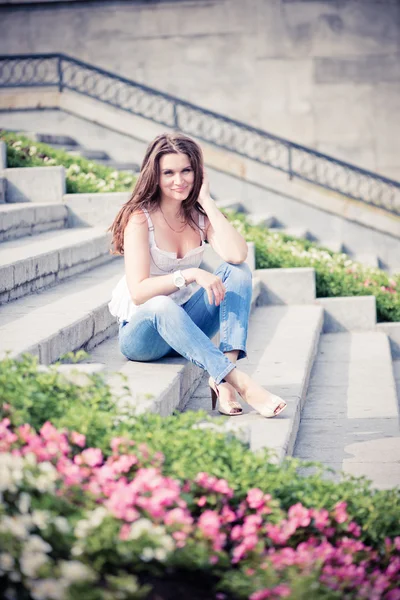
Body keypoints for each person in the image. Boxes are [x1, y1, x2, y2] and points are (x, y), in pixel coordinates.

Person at [108, 132, 286, 418]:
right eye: (169, 172)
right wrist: (189, 274)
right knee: (161, 304)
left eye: (186, 171)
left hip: (185, 325)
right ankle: (240, 382)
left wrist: (207, 201)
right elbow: (139, 292)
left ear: (197, 172)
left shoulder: (197, 216)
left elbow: (238, 255)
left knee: (237, 272)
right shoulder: (140, 218)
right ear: (155, 175)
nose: (179, 180)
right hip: (144, 335)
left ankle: (221, 378)